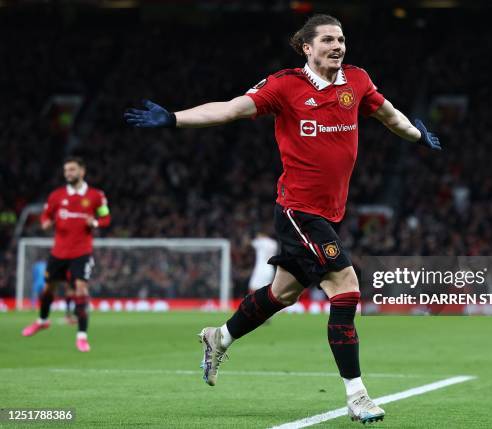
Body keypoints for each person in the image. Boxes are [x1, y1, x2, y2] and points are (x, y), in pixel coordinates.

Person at [124, 14, 440, 423]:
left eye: (341, 39)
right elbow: (232, 109)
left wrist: (416, 135)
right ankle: (357, 394)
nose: (338, 45)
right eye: (327, 39)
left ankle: (219, 337)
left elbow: (389, 115)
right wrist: (175, 118)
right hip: (297, 211)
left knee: (282, 295)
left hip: (327, 212)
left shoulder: (357, 81)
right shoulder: (284, 85)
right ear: (307, 48)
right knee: (346, 289)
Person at [21, 157, 111, 352]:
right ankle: (42, 320)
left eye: (72, 170)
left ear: (82, 171)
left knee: (81, 290)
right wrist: (45, 222)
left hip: (81, 252)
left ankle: (82, 336)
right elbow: (46, 214)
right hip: (59, 252)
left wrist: (94, 223)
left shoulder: (96, 196)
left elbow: (105, 218)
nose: (68, 174)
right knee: (48, 290)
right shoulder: (56, 196)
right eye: (66, 171)